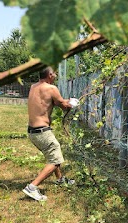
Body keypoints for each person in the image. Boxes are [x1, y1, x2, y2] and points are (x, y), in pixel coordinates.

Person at [22, 66, 79, 201]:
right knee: (55, 159)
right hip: (42, 132)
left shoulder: (33, 87)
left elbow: (53, 101)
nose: (56, 76)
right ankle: (32, 187)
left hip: (32, 131)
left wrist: (66, 101)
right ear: (49, 75)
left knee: (52, 155)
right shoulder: (51, 88)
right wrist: (72, 103)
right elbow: (63, 106)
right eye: (54, 74)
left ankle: (60, 179)